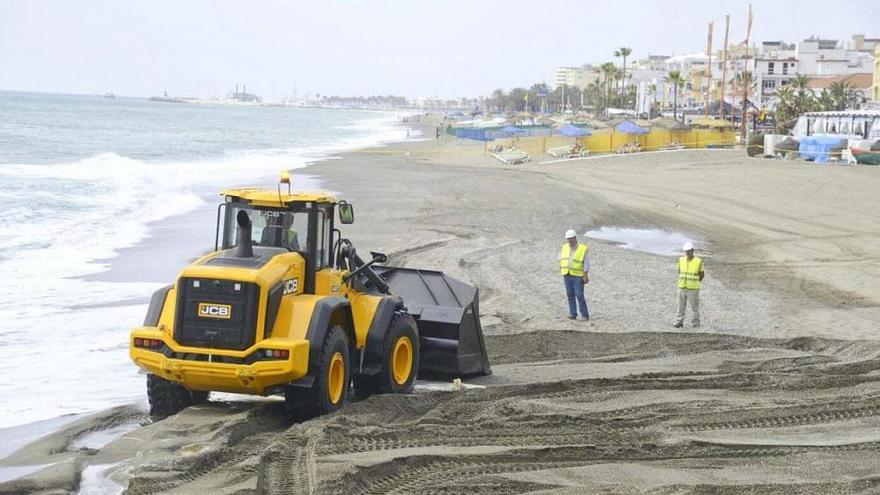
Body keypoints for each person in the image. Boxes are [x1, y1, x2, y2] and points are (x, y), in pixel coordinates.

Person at [559, 229, 590, 320]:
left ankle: (584, 315)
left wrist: (585, 275)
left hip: (578, 275)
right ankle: (573, 313)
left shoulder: (583, 249)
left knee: (579, 295)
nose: (570, 241)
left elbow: (586, 263)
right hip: (567, 274)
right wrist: (560, 267)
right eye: (568, 239)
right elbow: (561, 258)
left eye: (571, 239)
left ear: (575, 238)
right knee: (570, 294)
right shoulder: (564, 247)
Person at [675, 241, 704, 328]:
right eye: (686, 251)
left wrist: (695, 282)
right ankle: (679, 321)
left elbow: (702, 274)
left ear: (693, 251)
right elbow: (679, 271)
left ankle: (696, 322)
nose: (687, 253)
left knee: (694, 307)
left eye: (689, 251)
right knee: (681, 306)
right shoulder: (681, 260)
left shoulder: (698, 261)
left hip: (693, 288)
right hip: (682, 286)